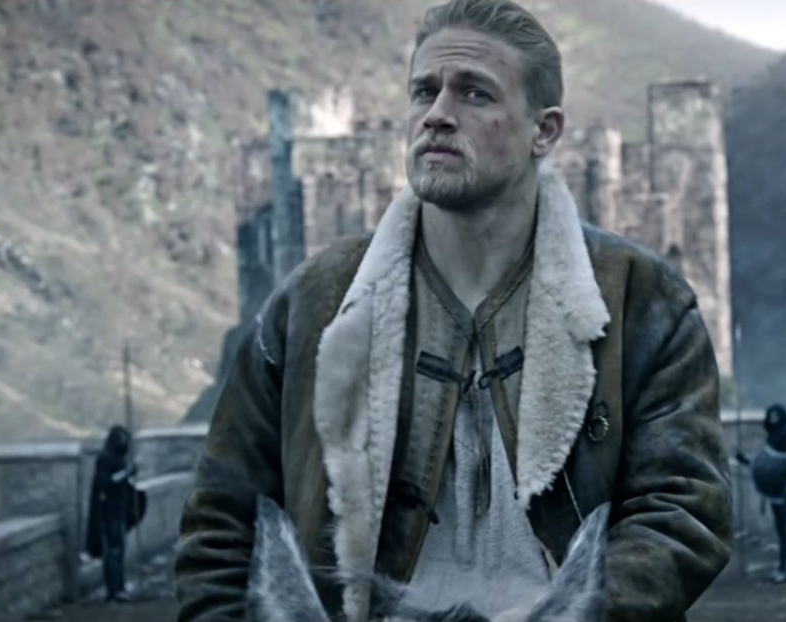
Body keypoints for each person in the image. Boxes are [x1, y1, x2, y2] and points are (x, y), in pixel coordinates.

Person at [174, 1, 731, 620]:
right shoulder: (311, 304)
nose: (437, 114)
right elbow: (221, 529)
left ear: (544, 131)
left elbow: (682, 511)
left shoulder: (643, 300)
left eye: (474, 93)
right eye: (424, 91)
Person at [736, 404, 786, 583]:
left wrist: (767, 465)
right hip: (775, 489)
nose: (773, 418)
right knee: (781, 530)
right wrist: (745, 460)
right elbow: (765, 461)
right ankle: (781, 567)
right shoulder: (771, 436)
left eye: (776, 415)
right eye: (771, 415)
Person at [86, 425, 146, 602]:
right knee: (114, 550)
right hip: (110, 511)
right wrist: (127, 472)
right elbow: (106, 482)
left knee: (118, 550)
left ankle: (119, 587)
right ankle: (114, 591)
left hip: (119, 510)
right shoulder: (105, 459)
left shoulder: (119, 458)